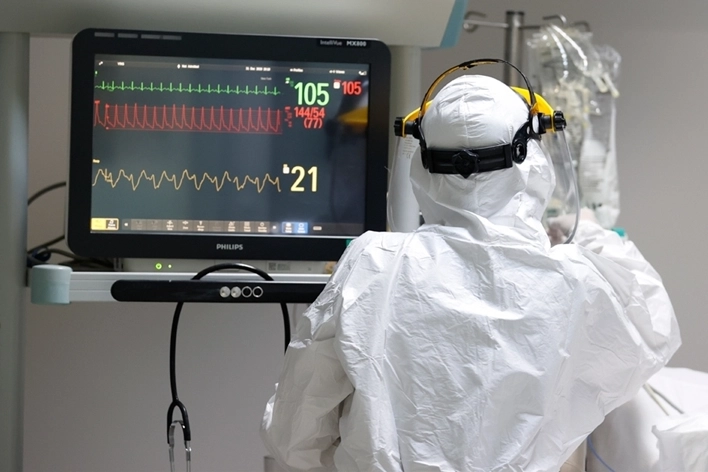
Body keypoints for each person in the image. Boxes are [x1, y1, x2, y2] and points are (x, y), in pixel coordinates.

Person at [261, 73, 680, 472]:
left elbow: (294, 436)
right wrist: (589, 232)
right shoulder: (573, 279)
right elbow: (654, 324)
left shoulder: (373, 264)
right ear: (529, 160)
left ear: (422, 163)